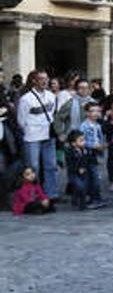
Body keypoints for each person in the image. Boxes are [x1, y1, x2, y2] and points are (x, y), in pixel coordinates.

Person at [16, 71, 59, 200]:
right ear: (34, 81)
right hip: (32, 136)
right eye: (41, 79)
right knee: (33, 167)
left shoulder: (52, 96)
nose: (45, 81)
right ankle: (33, 194)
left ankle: (52, 193)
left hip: (48, 134)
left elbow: (53, 114)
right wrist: (30, 129)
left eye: (46, 79)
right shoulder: (26, 99)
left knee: (51, 165)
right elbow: (21, 120)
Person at [64, 129, 104, 210]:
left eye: (84, 140)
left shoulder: (86, 150)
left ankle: (82, 202)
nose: (84, 142)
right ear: (73, 143)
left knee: (84, 186)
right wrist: (77, 169)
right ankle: (77, 200)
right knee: (80, 186)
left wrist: (96, 161)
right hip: (74, 174)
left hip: (84, 172)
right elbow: (70, 165)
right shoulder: (70, 152)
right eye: (81, 140)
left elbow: (90, 158)